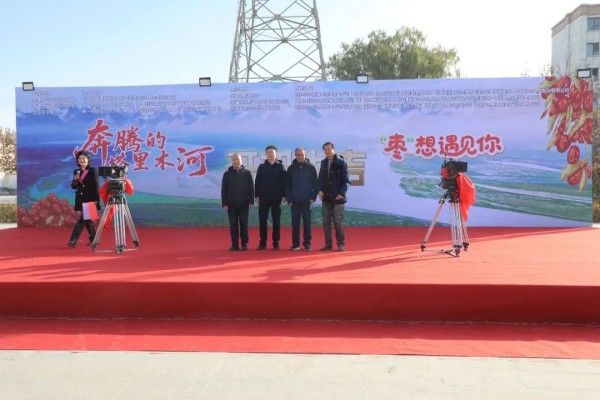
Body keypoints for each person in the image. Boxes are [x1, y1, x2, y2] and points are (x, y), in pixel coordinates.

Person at [317, 141, 350, 252]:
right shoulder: (323, 162)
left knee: (337, 222)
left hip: (338, 197)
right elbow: (320, 179)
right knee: (326, 222)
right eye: (325, 150)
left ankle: (341, 244)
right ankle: (328, 244)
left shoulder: (341, 162)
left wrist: (341, 194)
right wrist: (319, 190)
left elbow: (346, 181)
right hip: (326, 197)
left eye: (329, 149)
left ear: (334, 149)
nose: (327, 152)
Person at [254, 145, 286, 250]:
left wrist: (284, 195)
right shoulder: (262, 167)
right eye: (268, 152)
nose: (270, 154)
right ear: (266, 154)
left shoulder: (280, 166)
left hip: (276, 198)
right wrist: (257, 195)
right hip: (263, 198)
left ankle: (276, 243)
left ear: (276, 154)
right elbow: (257, 182)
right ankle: (262, 243)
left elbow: (284, 182)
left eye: (272, 152)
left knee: (276, 221)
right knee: (262, 220)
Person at [285, 147, 318, 251]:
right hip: (294, 200)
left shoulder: (311, 168)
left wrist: (313, 197)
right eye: (298, 155)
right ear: (295, 156)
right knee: (295, 223)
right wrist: (289, 199)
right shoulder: (291, 168)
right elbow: (287, 185)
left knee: (307, 223)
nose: (300, 157)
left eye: (302, 155)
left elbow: (315, 184)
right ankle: (295, 244)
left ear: (305, 155)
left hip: (307, 200)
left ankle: (307, 244)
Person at [67, 150, 101, 247]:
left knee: (81, 220)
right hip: (80, 199)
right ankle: (94, 239)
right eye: (79, 158)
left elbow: (96, 185)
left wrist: (96, 200)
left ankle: (73, 240)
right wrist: (76, 179)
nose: (81, 160)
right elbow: (74, 186)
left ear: (88, 160)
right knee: (87, 220)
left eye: (83, 158)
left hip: (90, 199)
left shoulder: (92, 170)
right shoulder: (76, 171)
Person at [221, 153, 254, 251]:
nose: (236, 161)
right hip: (231, 204)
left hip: (244, 204)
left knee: (244, 223)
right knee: (233, 224)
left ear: (241, 160)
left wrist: (251, 201)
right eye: (234, 159)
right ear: (232, 161)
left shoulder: (247, 173)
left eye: (238, 159)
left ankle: (244, 244)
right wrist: (224, 203)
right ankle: (234, 244)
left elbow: (251, 188)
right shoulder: (227, 174)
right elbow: (224, 190)